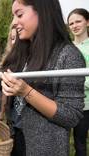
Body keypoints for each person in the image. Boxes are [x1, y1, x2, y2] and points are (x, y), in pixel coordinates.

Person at [0, 0, 85, 156]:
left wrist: (26, 92)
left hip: (45, 147)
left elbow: (71, 116)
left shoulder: (68, 55)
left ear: (42, 11)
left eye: (19, 14)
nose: (14, 22)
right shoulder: (23, 52)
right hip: (17, 138)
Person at [67, 8, 89, 156]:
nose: (74, 25)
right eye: (71, 23)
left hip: (87, 103)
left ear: (87, 22)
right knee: (72, 142)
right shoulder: (67, 48)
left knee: (81, 142)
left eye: (78, 21)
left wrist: (76, 83)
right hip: (69, 104)